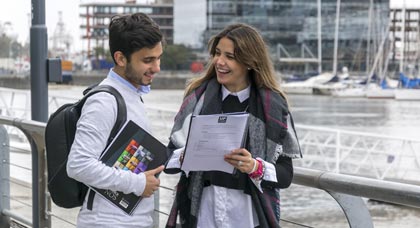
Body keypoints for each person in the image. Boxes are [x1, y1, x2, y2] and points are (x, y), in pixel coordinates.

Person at [164, 23, 302, 228]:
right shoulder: (196, 98)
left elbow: (285, 176)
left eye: (230, 56)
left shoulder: (273, 105)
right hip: (202, 212)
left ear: (249, 61)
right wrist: (186, 156)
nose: (219, 61)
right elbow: (168, 159)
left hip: (247, 215)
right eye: (217, 53)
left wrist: (255, 167)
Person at [66, 13, 165, 227]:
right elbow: (78, 165)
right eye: (148, 60)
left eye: (158, 58)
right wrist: (138, 183)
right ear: (121, 58)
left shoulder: (131, 95)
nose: (157, 67)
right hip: (108, 222)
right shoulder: (104, 101)